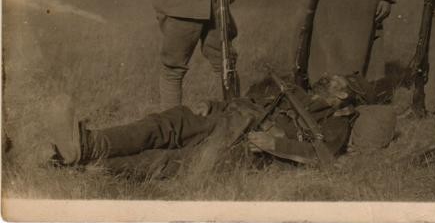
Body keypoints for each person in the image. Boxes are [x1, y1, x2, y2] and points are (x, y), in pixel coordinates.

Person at [47, 74, 396, 178]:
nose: (329, 82)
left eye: (337, 85)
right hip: (230, 115)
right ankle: (88, 144)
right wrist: (214, 104)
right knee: (164, 123)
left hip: (245, 141)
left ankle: (80, 166)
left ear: (347, 99)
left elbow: (323, 156)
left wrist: (275, 146)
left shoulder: (337, 125)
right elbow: (257, 102)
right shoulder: (302, 96)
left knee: (167, 162)